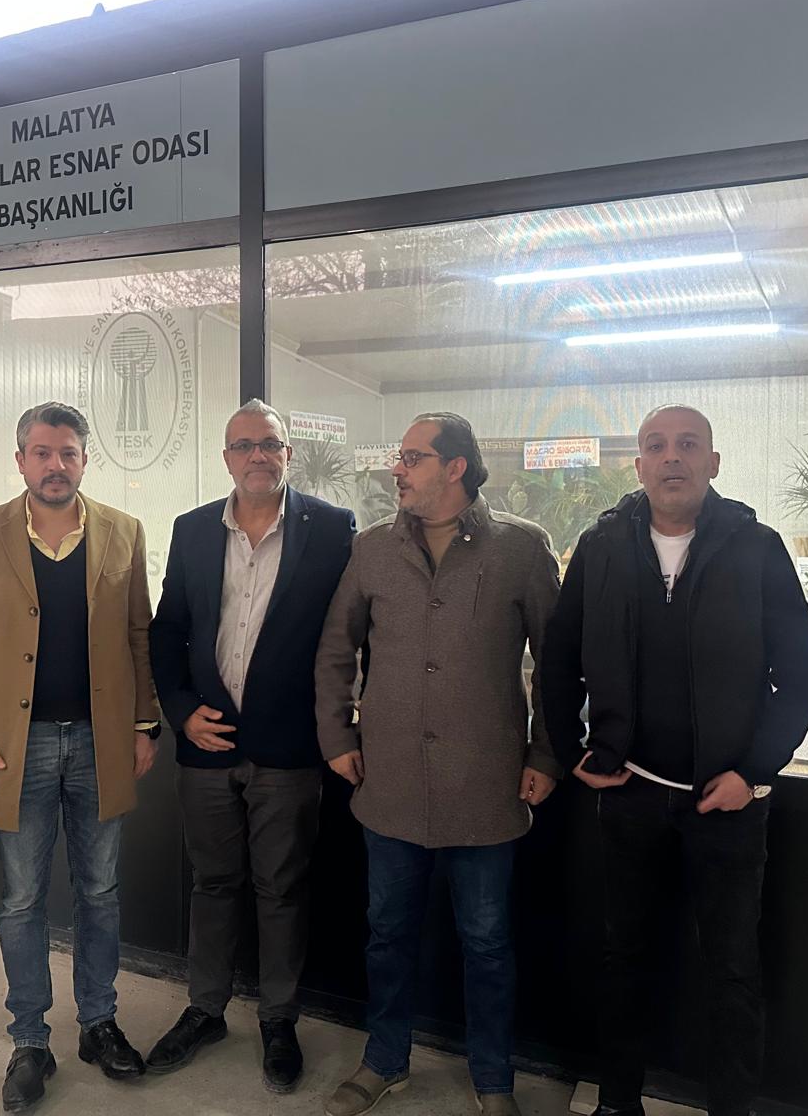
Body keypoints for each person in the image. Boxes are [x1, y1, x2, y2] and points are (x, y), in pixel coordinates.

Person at [540, 404, 808, 1116]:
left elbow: (803, 681)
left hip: (726, 803)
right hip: (630, 794)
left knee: (732, 970)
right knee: (625, 959)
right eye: (657, 445)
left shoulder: (756, 548)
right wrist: (574, 749)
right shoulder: (600, 547)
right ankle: (617, 1102)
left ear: (713, 463)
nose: (673, 456)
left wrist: (754, 774)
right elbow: (559, 660)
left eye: (688, 444)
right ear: (638, 465)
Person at [314, 412, 561, 1116]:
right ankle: (384, 1061)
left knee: (487, 944)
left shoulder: (521, 549)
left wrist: (546, 751)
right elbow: (335, 651)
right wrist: (336, 736)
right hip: (389, 783)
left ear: (455, 467)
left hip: (486, 785)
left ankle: (493, 1079)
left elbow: (557, 663)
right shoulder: (372, 549)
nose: (397, 468)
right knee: (388, 935)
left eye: (412, 457)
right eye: (400, 457)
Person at [0, 401, 163, 1114]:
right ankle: (30, 1040)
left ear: (84, 459)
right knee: (22, 899)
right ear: (21, 460)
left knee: (100, 892)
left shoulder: (123, 532)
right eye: (41, 452)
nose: (55, 465)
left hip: (101, 742)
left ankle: (99, 1023)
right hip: (14, 747)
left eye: (67, 452)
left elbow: (139, 634)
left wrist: (145, 723)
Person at [146, 399, 356, 1092]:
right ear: (227, 457)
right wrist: (181, 713)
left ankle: (278, 1019)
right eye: (244, 445)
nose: (257, 456)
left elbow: (350, 635)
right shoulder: (193, 529)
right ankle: (205, 1010)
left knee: (282, 887)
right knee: (212, 884)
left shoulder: (333, 529)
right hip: (206, 744)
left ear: (287, 453)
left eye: (269, 443)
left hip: (289, 749)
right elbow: (168, 629)